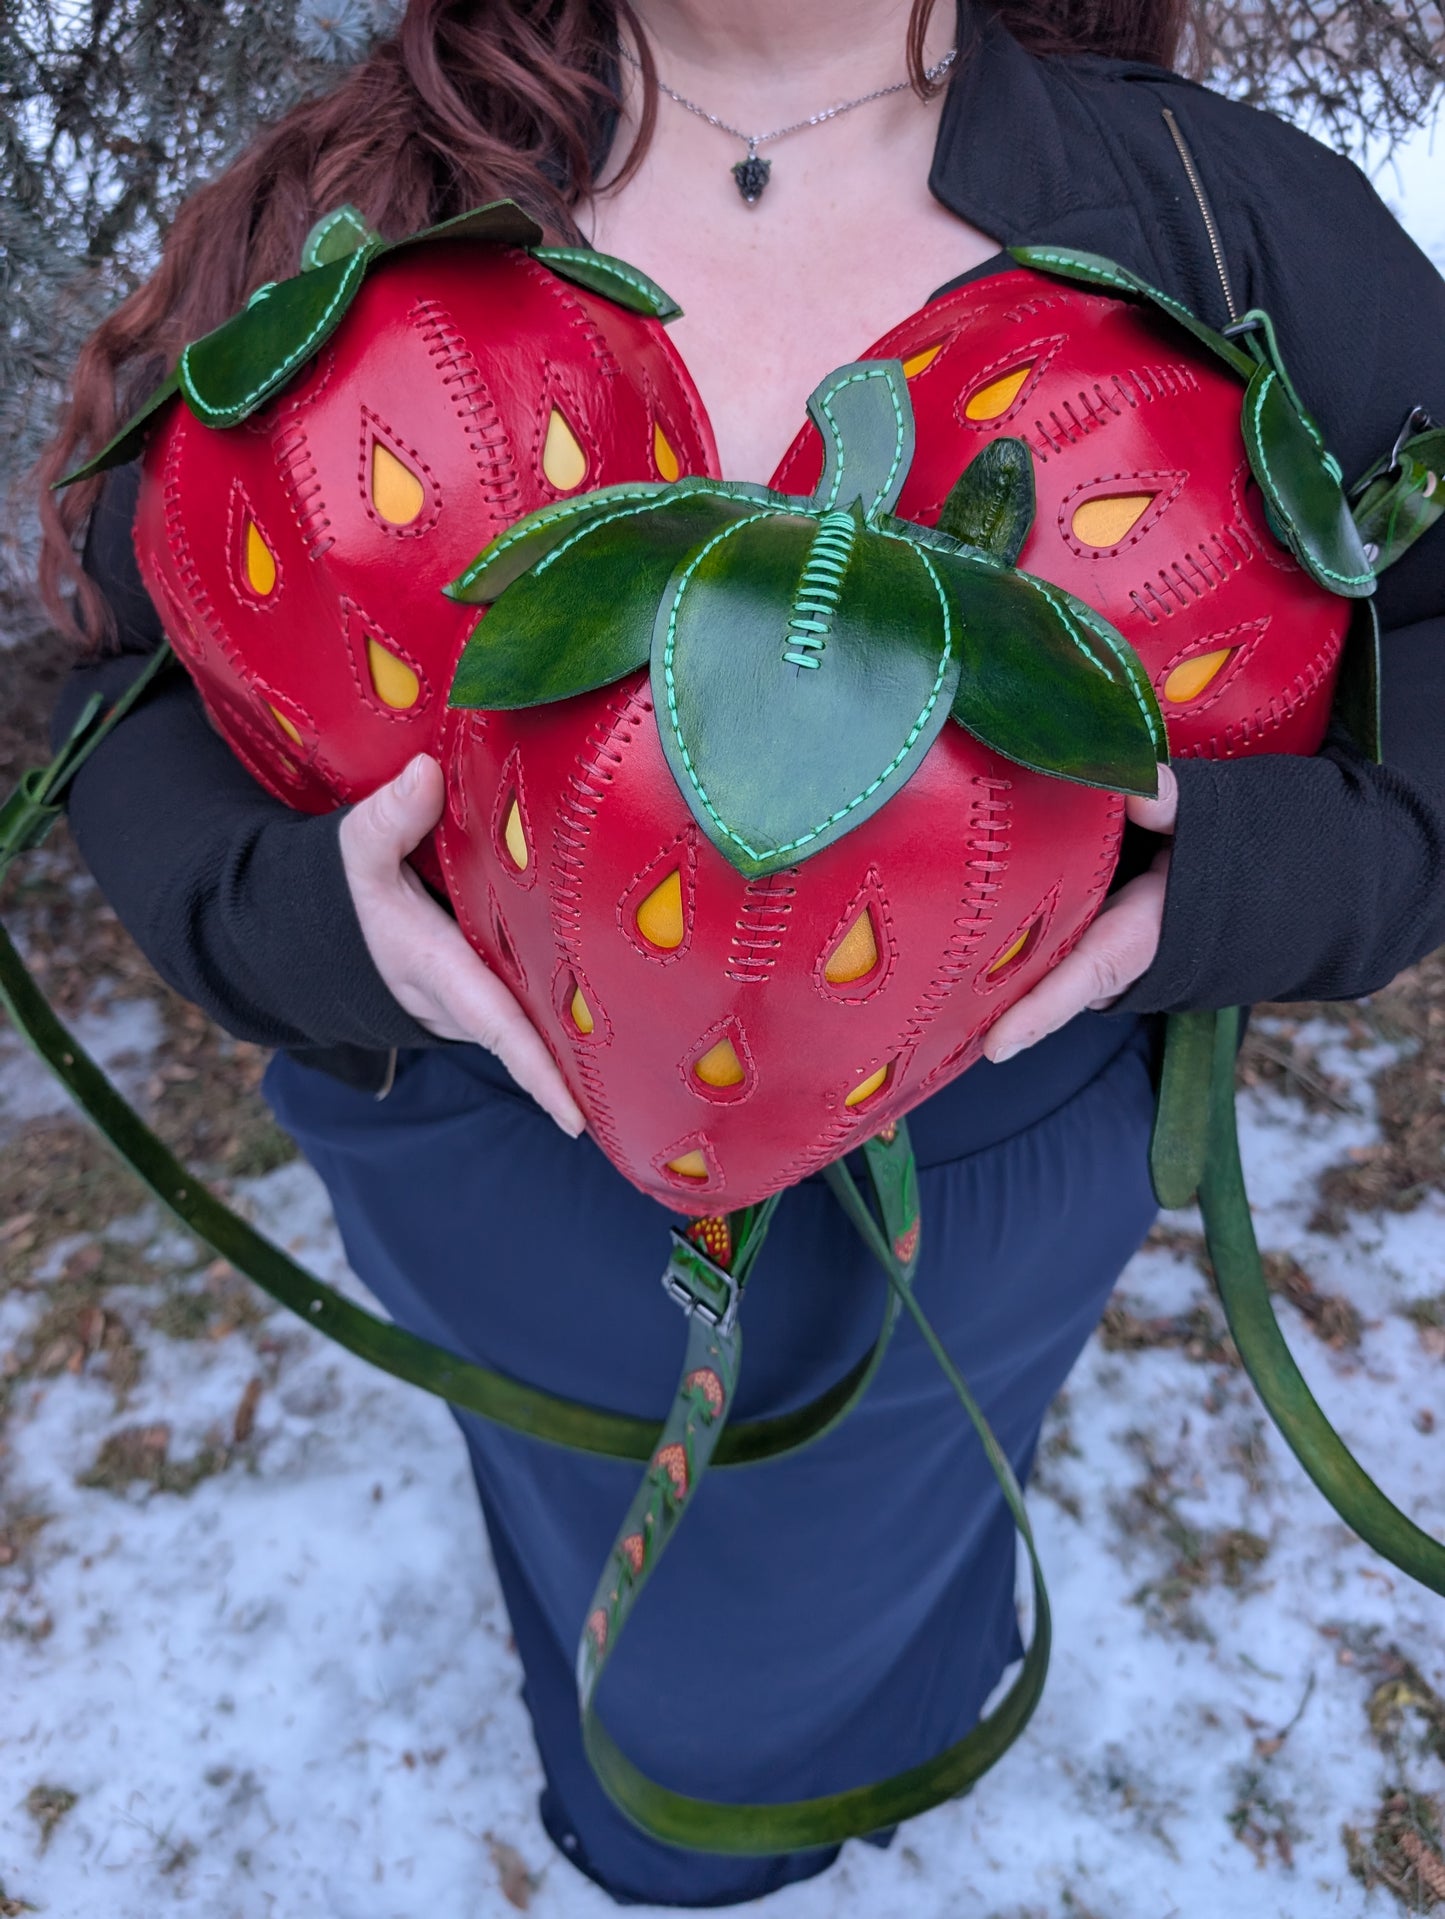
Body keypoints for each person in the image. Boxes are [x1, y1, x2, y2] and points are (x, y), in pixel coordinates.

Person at [37, 0, 1445, 1906]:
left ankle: (851, 1729)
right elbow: (138, 662)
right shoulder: (359, 192)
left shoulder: (1223, 214)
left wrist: (1263, 874)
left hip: (990, 1173)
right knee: (578, 1522)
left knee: (875, 1549)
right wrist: (287, 918)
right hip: (485, 1154)